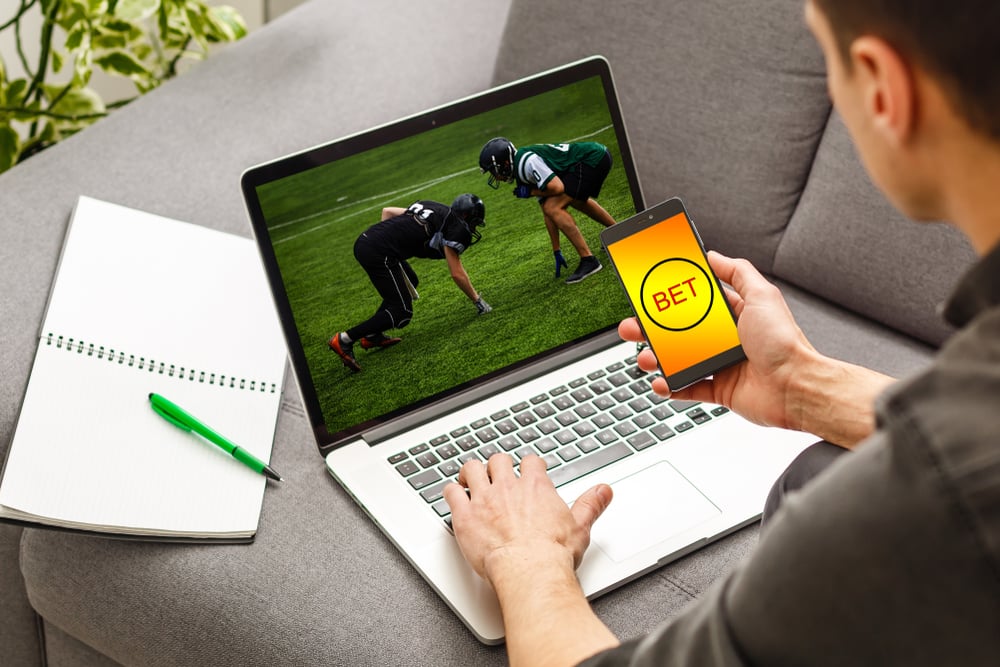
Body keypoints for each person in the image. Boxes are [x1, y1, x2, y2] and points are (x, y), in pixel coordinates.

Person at [444, 0, 1000, 664]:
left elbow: (955, 466)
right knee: (813, 469)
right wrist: (803, 383)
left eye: (827, 60)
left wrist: (525, 557)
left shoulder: (898, 517)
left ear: (884, 87)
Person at [328, 194, 491, 372]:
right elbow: (457, 273)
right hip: (378, 250)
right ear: (466, 216)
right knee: (401, 312)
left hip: (370, 240)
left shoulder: (435, 208)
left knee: (410, 281)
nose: (472, 228)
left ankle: (373, 335)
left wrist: (393, 244)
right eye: (474, 223)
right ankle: (345, 339)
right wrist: (478, 301)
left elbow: (387, 212)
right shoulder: (456, 227)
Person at [479, 137, 616, 284]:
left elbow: (557, 188)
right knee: (572, 202)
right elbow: (546, 212)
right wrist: (556, 250)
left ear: (505, 163)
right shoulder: (521, 166)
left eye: (493, 170)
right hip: (595, 156)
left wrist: (531, 192)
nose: (494, 176)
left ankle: (588, 260)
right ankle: (617, 232)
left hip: (593, 158)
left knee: (554, 206)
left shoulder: (526, 162)